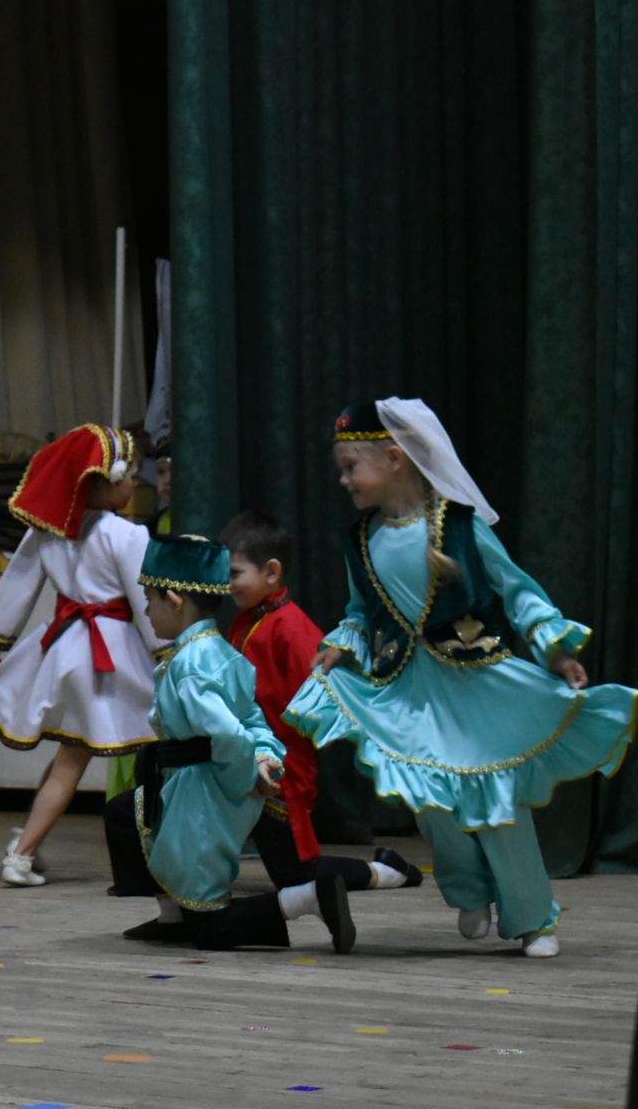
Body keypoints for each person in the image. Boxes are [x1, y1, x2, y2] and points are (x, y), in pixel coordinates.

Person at [287, 399, 638, 959]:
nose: (344, 478)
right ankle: (470, 891)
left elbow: (516, 589)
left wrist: (553, 648)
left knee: (496, 805)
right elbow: (360, 612)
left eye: (352, 465)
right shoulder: (360, 541)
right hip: (411, 692)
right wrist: (339, 644)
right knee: (431, 803)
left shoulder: (458, 525)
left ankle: (533, 919)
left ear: (395, 459)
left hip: (478, 689)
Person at [109, 534, 357, 953]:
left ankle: (308, 898)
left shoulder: (191, 665)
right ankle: (174, 917)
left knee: (210, 927)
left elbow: (227, 732)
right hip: (190, 782)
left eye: (148, 600)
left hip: (202, 795)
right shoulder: (219, 651)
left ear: (173, 600)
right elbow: (253, 717)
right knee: (125, 816)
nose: (145, 612)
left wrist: (248, 774)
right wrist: (264, 754)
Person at [0, 425, 162, 885]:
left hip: (64, 647)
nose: (134, 483)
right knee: (78, 758)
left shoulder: (46, 533)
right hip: (104, 653)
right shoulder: (125, 535)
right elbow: (146, 603)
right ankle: (23, 855)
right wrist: (168, 653)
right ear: (107, 482)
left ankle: (27, 840)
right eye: (129, 475)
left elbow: (16, 592)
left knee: (70, 754)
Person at [220, 509, 422, 893]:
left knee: (295, 875)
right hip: (250, 756)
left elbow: (318, 692)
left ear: (272, 572)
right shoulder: (246, 621)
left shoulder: (290, 627)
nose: (227, 584)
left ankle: (388, 873)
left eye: (234, 573)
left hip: (283, 766)